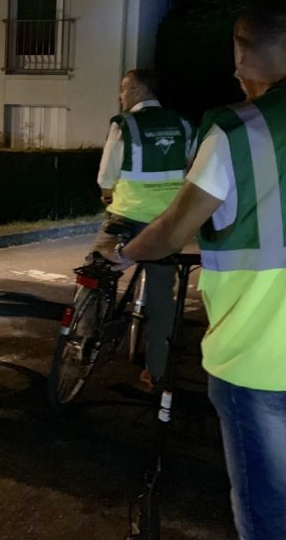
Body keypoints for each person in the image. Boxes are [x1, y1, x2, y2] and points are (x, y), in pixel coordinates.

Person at [113, 4, 286, 539]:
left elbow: (172, 229)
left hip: (259, 352)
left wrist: (122, 255)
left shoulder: (236, 131)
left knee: (264, 512)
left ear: (239, 56)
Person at [92, 68, 195, 389]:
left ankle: (86, 337)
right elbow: (190, 167)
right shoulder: (183, 125)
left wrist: (106, 192)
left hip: (125, 217)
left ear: (136, 91)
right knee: (162, 295)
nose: (120, 97)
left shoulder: (124, 124)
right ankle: (157, 370)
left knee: (97, 271)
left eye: (123, 90)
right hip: (164, 225)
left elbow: (107, 175)